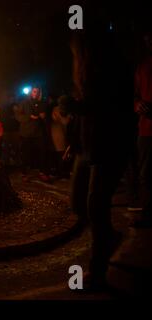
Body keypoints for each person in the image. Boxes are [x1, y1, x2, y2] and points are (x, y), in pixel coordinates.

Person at [69, 6, 136, 289]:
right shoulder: (85, 65)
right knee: (78, 202)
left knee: (96, 205)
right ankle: (108, 236)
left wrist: (79, 106)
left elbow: (108, 105)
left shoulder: (111, 63)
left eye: (81, 39)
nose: (75, 47)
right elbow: (87, 104)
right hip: (89, 145)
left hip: (110, 144)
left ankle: (97, 274)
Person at [133, 30, 152, 228]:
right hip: (146, 129)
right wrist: (137, 105)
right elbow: (135, 95)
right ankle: (147, 214)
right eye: (148, 39)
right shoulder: (142, 66)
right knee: (145, 174)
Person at [15, 87, 50, 182]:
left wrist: (44, 117)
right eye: (34, 91)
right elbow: (18, 116)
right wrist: (29, 116)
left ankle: (42, 172)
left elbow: (47, 118)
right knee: (25, 154)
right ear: (31, 92)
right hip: (26, 133)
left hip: (38, 132)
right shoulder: (24, 103)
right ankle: (24, 173)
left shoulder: (43, 103)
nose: (36, 93)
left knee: (42, 152)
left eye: (38, 92)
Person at [50, 95, 72, 178]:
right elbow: (64, 121)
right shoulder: (55, 109)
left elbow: (65, 122)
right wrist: (64, 119)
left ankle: (64, 171)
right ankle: (60, 172)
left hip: (65, 135)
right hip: (57, 134)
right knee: (60, 153)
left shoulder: (68, 110)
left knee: (64, 153)